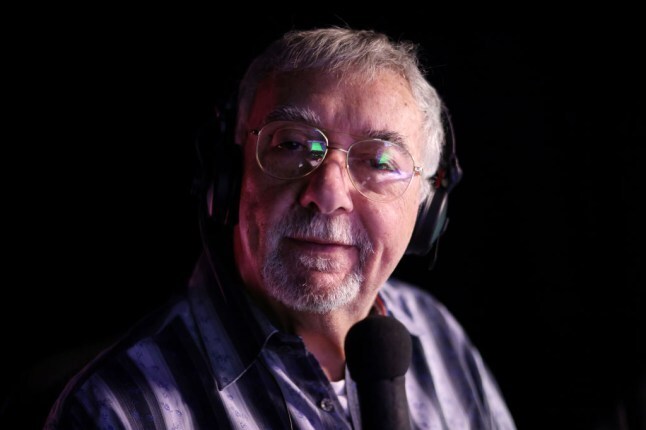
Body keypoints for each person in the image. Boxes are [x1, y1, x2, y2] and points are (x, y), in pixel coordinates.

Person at [43, 26, 517, 429]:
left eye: (378, 161)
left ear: (427, 206)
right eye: (291, 145)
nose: (327, 193)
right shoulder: (116, 409)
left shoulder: (436, 334)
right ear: (230, 175)